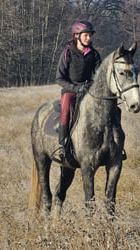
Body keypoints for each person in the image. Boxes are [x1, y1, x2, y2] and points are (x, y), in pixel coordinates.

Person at [54, 20, 101, 163]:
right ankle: (62, 147)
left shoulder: (94, 54)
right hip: (70, 90)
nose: (89, 38)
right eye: (86, 35)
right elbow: (59, 78)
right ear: (76, 36)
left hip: (88, 90)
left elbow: (99, 75)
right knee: (66, 112)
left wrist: (94, 85)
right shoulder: (68, 52)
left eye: (90, 35)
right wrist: (75, 88)